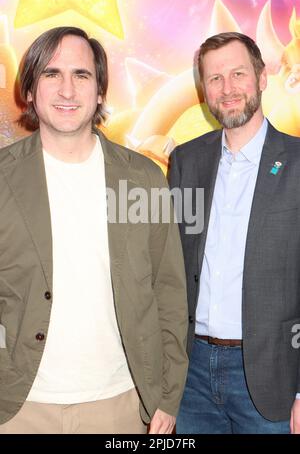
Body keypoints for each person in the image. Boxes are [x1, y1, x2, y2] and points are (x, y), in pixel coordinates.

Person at [0, 26, 188, 434]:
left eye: (81, 75)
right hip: (17, 408)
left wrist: (168, 396)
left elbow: (169, 291)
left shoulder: (141, 178)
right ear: (29, 90)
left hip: (122, 404)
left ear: (100, 91)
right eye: (51, 74)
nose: (67, 89)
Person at [168, 32, 300, 434]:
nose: (227, 89)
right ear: (203, 90)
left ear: (262, 78)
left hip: (273, 379)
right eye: (214, 78)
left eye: (238, 74)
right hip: (192, 380)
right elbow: (171, 268)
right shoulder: (185, 161)